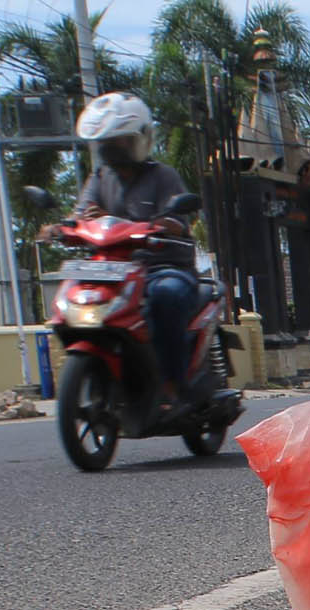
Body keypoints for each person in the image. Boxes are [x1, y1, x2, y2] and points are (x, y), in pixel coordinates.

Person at [66, 93, 205, 407]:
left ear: (140, 139)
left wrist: (165, 224)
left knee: (165, 297)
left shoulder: (162, 175)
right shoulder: (100, 178)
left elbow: (177, 221)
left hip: (163, 268)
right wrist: (65, 227)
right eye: (106, 142)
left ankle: (172, 381)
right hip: (115, 271)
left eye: (120, 141)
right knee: (76, 295)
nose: (111, 149)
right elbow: (82, 214)